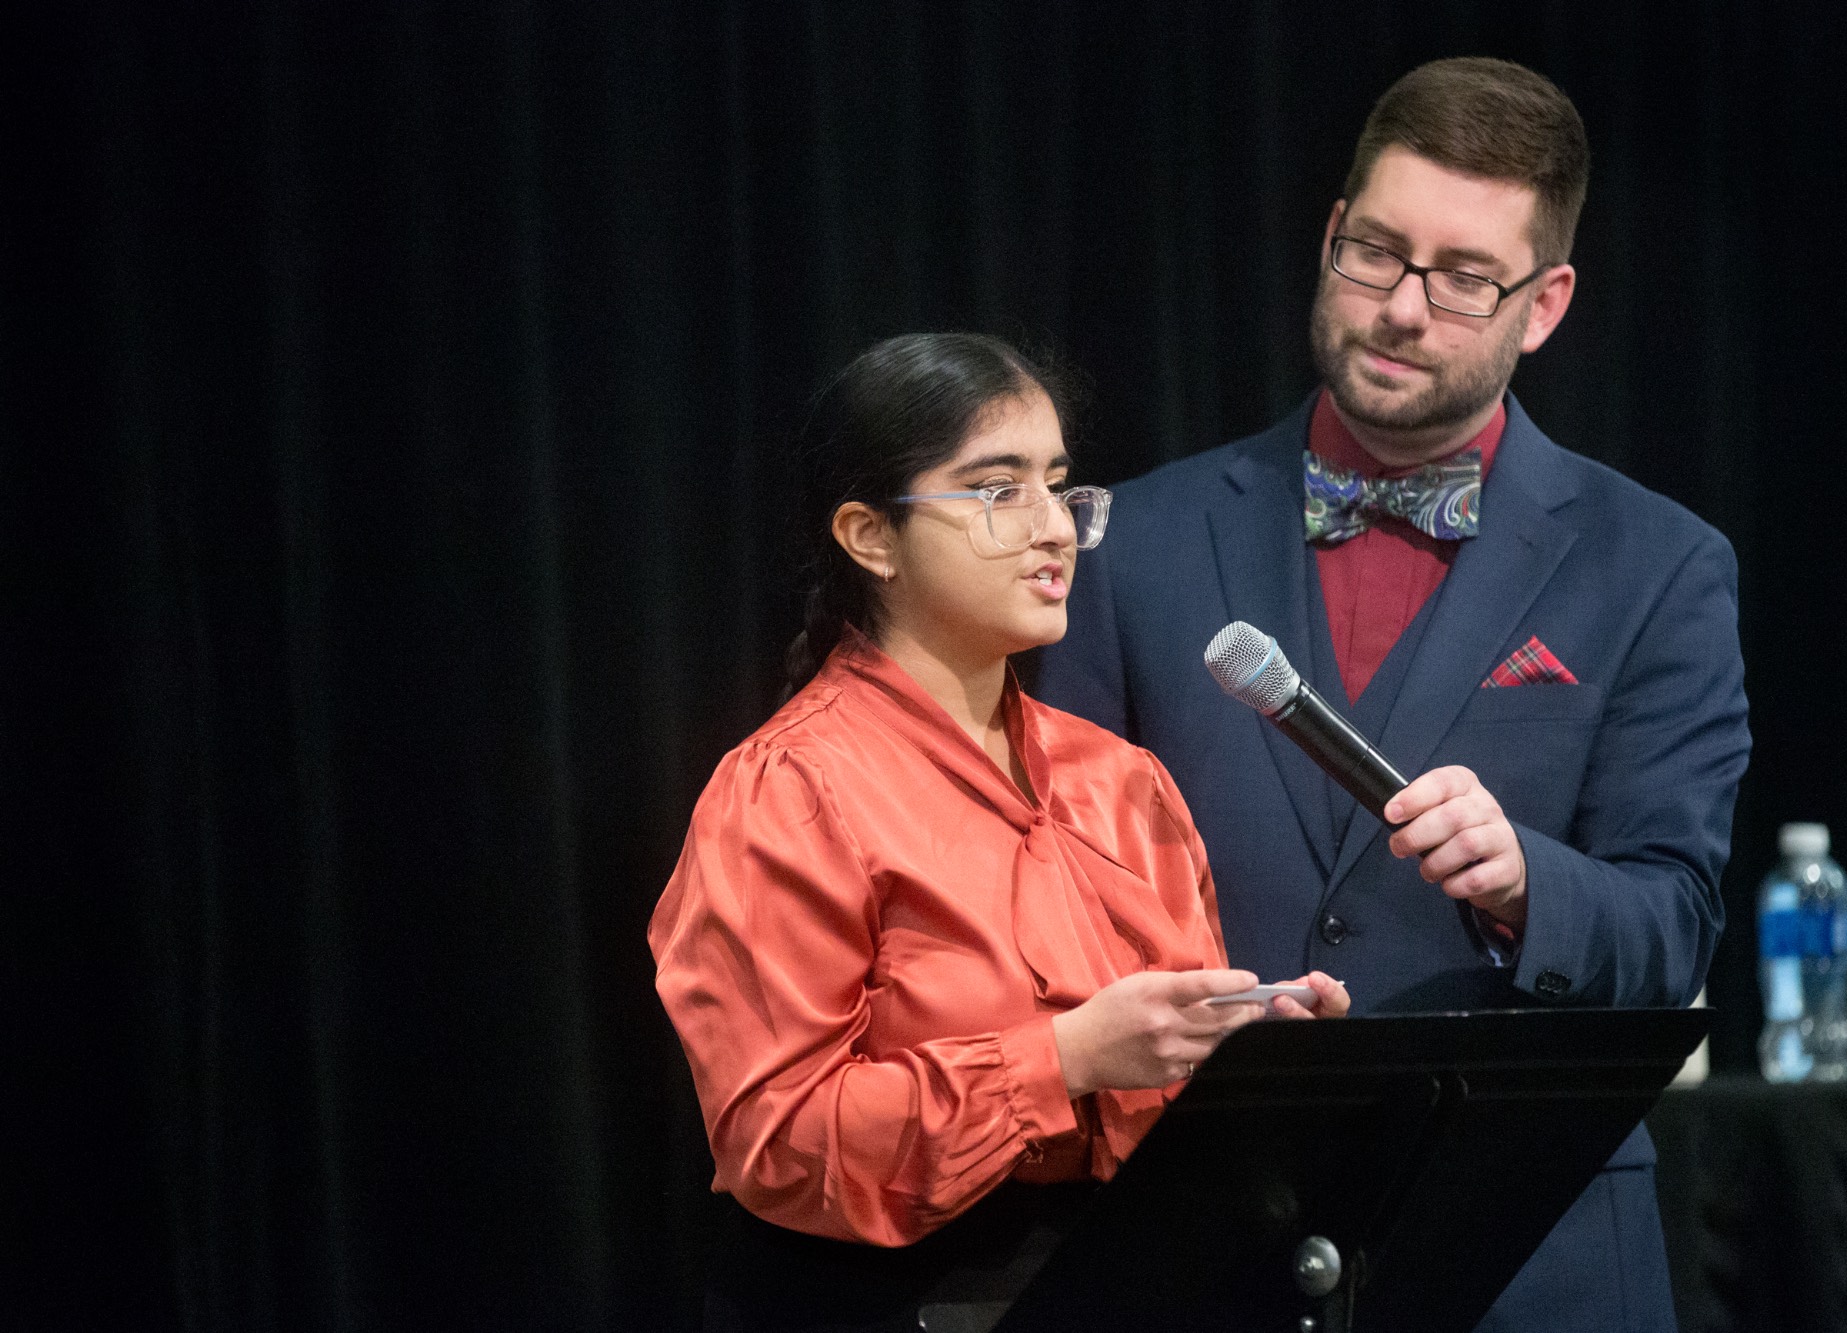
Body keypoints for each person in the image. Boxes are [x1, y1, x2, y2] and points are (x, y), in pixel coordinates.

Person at [1031, 58, 1750, 1333]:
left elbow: (1670, 930)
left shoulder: (1659, 565)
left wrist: (1529, 881)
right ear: (1328, 237)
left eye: (1465, 278)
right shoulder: (1127, 545)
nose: (1403, 308)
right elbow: (1055, 896)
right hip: (1199, 1247)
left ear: (1545, 304)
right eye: (1375, 253)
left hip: (1533, 1257)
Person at [650, 332, 1347, 1331]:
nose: (1052, 528)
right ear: (869, 535)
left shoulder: (1121, 780)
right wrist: (1060, 1058)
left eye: (1059, 488)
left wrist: (1251, 1065)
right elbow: (781, 1142)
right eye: (995, 491)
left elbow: (1165, 1101)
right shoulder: (787, 790)